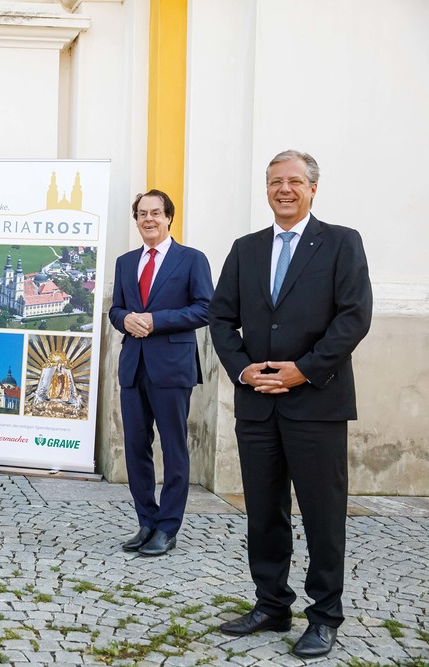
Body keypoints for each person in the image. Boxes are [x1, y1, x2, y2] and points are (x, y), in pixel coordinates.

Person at [209, 150, 372, 658]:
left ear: (313, 189)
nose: (284, 189)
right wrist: (242, 369)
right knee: (263, 511)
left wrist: (305, 369)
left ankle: (324, 616)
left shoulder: (342, 242)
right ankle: (271, 604)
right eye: (275, 181)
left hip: (317, 403)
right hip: (257, 404)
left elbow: (354, 317)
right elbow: (220, 317)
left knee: (323, 515)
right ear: (267, 189)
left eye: (295, 181)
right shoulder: (246, 248)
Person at [108, 190, 213, 557]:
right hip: (133, 367)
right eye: (142, 213)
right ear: (136, 220)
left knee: (173, 447)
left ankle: (168, 527)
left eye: (155, 212)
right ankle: (146, 521)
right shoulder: (125, 262)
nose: (148, 219)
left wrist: (155, 320)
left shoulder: (191, 259)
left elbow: (205, 308)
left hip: (171, 367)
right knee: (136, 447)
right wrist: (125, 319)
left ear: (169, 217)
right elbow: (116, 310)